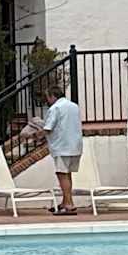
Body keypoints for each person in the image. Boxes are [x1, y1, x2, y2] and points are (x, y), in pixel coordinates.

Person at [39, 82, 85, 214]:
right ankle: (65, 202)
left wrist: (35, 134)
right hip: (75, 145)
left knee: (62, 174)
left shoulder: (55, 108)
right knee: (68, 174)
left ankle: (69, 204)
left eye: (48, 97)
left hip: (62, 146)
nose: (47, 100)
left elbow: (48, 128)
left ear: (53, 96)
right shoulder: (74, 106)